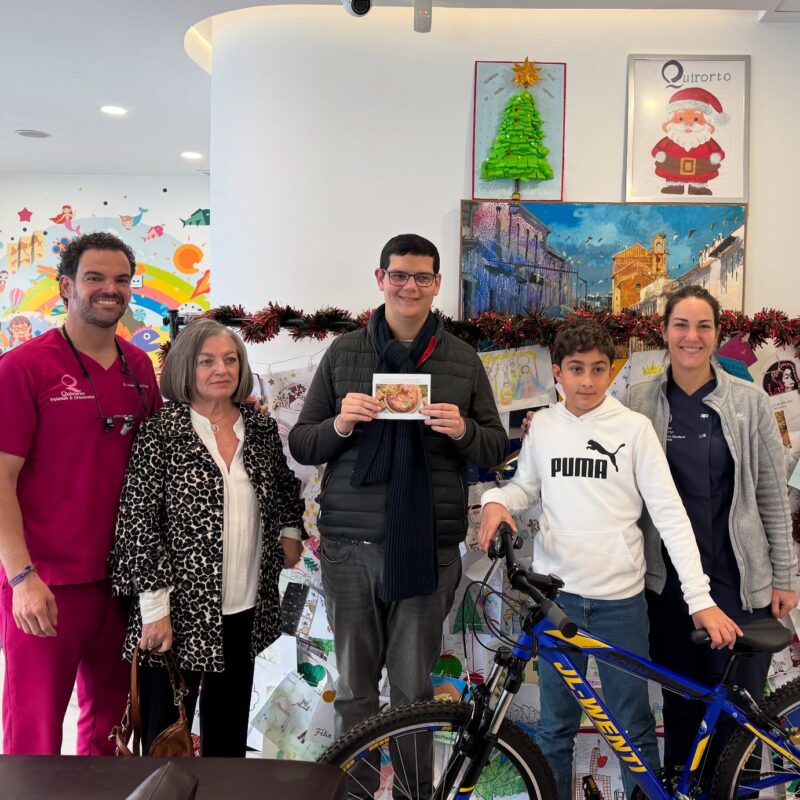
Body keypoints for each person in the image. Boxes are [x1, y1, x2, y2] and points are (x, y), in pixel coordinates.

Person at [478, 319, 738, 800]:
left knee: (632, 729)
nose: (587, 382)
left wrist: (698, 598)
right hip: (557, 601)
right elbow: (524, 488)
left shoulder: (634, 429)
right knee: (555, 726)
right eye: (576, 370)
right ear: (557, 372)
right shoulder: (546, 427)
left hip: (621, 605)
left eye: (599, 369)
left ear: (611, 370)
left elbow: (670, 516)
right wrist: (497, 500)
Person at [289, 233, 508, 792]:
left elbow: (494, 447)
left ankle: (416, 794)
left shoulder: (460, 359)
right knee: (357, 689)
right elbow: (304, 445)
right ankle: (354, 791)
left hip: (427, 550)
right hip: (349, 548)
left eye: (422, 277)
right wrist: (341, 423)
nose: (409, 286)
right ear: (380, 278)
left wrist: (462, 431)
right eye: (399, 275)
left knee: (413, 695)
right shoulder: (344, 354)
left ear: (436, 284)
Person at [109, 319, 304, 757]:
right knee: (166, 738)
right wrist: (154, 610)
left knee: (228, 735)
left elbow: (284, 484)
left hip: (245, 605)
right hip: (176, 611)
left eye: (231, 359)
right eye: (208, 361)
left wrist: (291, 531)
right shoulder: (162, 431)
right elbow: (138, 522)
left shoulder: (257, 428)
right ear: (185, 368)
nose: (222, 369)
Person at [0, 232, 161, 755]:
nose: (108, 289)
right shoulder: (22, 369)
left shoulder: (139, 369)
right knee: (34, 732)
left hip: (121, 583)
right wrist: (21, 576)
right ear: (66, 285)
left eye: (120, 280)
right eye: (95, 277)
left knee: (112, 729)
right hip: (47, 584)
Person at [627, 285, 798, 773]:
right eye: (681, 324)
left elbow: (770, 493)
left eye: (703, 326)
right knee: (681, 710)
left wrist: (784, 577)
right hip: (669, 587)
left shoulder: (748, 402)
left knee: (740, 718)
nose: (692, 336)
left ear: (718, 334)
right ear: (663, 332)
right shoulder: (639, 401)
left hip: (741, 581)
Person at [651, 87, 726, 196]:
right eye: (681, 119)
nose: (688, 124)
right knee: (673, 178)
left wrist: (716, 156)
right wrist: (659, 154)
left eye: (696, 119)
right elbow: (657, 149)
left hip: (700, 170)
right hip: (673, 168)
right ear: (671, 120)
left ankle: (698, 187)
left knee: (700, 179)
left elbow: (719, 152)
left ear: (706, 122)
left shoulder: (706, 140)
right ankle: (674, 185)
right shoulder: (670, 139)